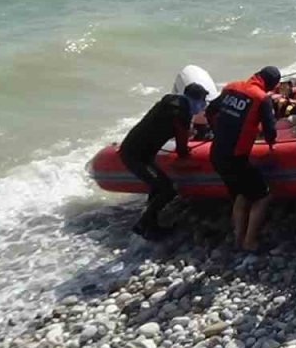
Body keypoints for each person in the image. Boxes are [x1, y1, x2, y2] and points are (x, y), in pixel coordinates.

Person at [118, 83, 210, 239]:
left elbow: (164, 126)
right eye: (202, 101)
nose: (203, 106)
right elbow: (182, 149)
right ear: (195, 100)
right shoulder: (182, 114)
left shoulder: (170, 101)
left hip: (138, 151)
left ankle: (151, 222)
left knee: (157, 185)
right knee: (168, 189)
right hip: (136, 156)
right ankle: (143, 224)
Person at [207, 66, 281, 251]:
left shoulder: (231, 87)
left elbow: (210, 111)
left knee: (242, 194)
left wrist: (217, 130)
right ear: (271, 85)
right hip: (236, 158)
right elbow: (271, 131)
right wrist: (270, 143)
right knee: (262, 196)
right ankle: (250, 242)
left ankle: (238, 239)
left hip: (216, 153)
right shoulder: (261, 98)